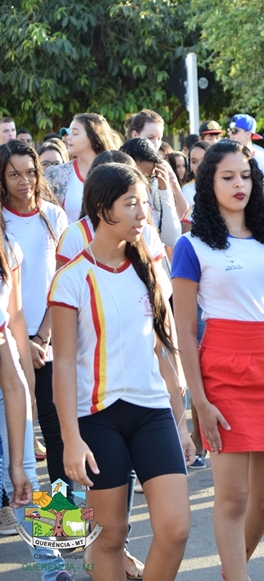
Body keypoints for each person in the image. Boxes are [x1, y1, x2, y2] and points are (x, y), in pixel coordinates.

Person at [49, 162, 193, 580]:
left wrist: (181, 422)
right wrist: (70, 441)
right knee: (108, 535)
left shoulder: (149, 268)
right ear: (100, 207)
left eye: (144, 203)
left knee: (176, 527)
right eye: (131, 204)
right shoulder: (71, 279)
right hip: (96, 419)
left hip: (152, 412)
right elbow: (62, 365)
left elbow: (165, 348)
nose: (142, 214)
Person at [171, 140, 264, 580]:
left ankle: (232, 571)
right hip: (223, 371)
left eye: (245, 175)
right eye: (227, 176)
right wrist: (198, 400)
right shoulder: (191, 246)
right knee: (232, 498)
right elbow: (185, 332)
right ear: (208, 183)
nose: (238, 184)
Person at [0, 144, 70, 581]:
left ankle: (56, 559)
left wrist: (36, 343)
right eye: (13, 174)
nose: (24, 181)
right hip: (18, 351)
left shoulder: (49, 220)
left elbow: (21, 308)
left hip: (40, 349)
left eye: (30, 172)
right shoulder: (6, 227)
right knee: (16, 471)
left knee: (52, 455)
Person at [45, 113, 120, 223]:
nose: (68, 138)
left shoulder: (117, 173)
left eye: (75, 133)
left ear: (94, 137)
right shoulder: (56, 175)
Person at [126, 110, 189, 228]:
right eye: (150, 138)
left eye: (159, 138)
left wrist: (174, 186)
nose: (156, 144)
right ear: (135, 135)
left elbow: (183, 216)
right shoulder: (120, 163)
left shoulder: (164, 166)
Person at [120, 138, 182, 247]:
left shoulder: (155, 188)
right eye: (139, 176)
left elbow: (172, 239)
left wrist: (165, 192)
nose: (145, 183)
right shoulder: (119, 197)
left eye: (150, 177)